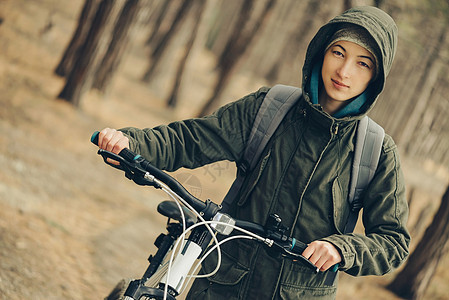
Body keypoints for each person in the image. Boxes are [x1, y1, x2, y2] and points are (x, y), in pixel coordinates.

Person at [97, 6, 410, 300]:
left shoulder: (376, 151)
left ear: (375, 75)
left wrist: (342, 249)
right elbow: (192, 139)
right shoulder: (270, 108)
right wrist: (132, 143)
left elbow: (393, 241)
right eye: (338, 52)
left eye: (362, 63)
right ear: (321, 52)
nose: (344, 70)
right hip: (221, 283)